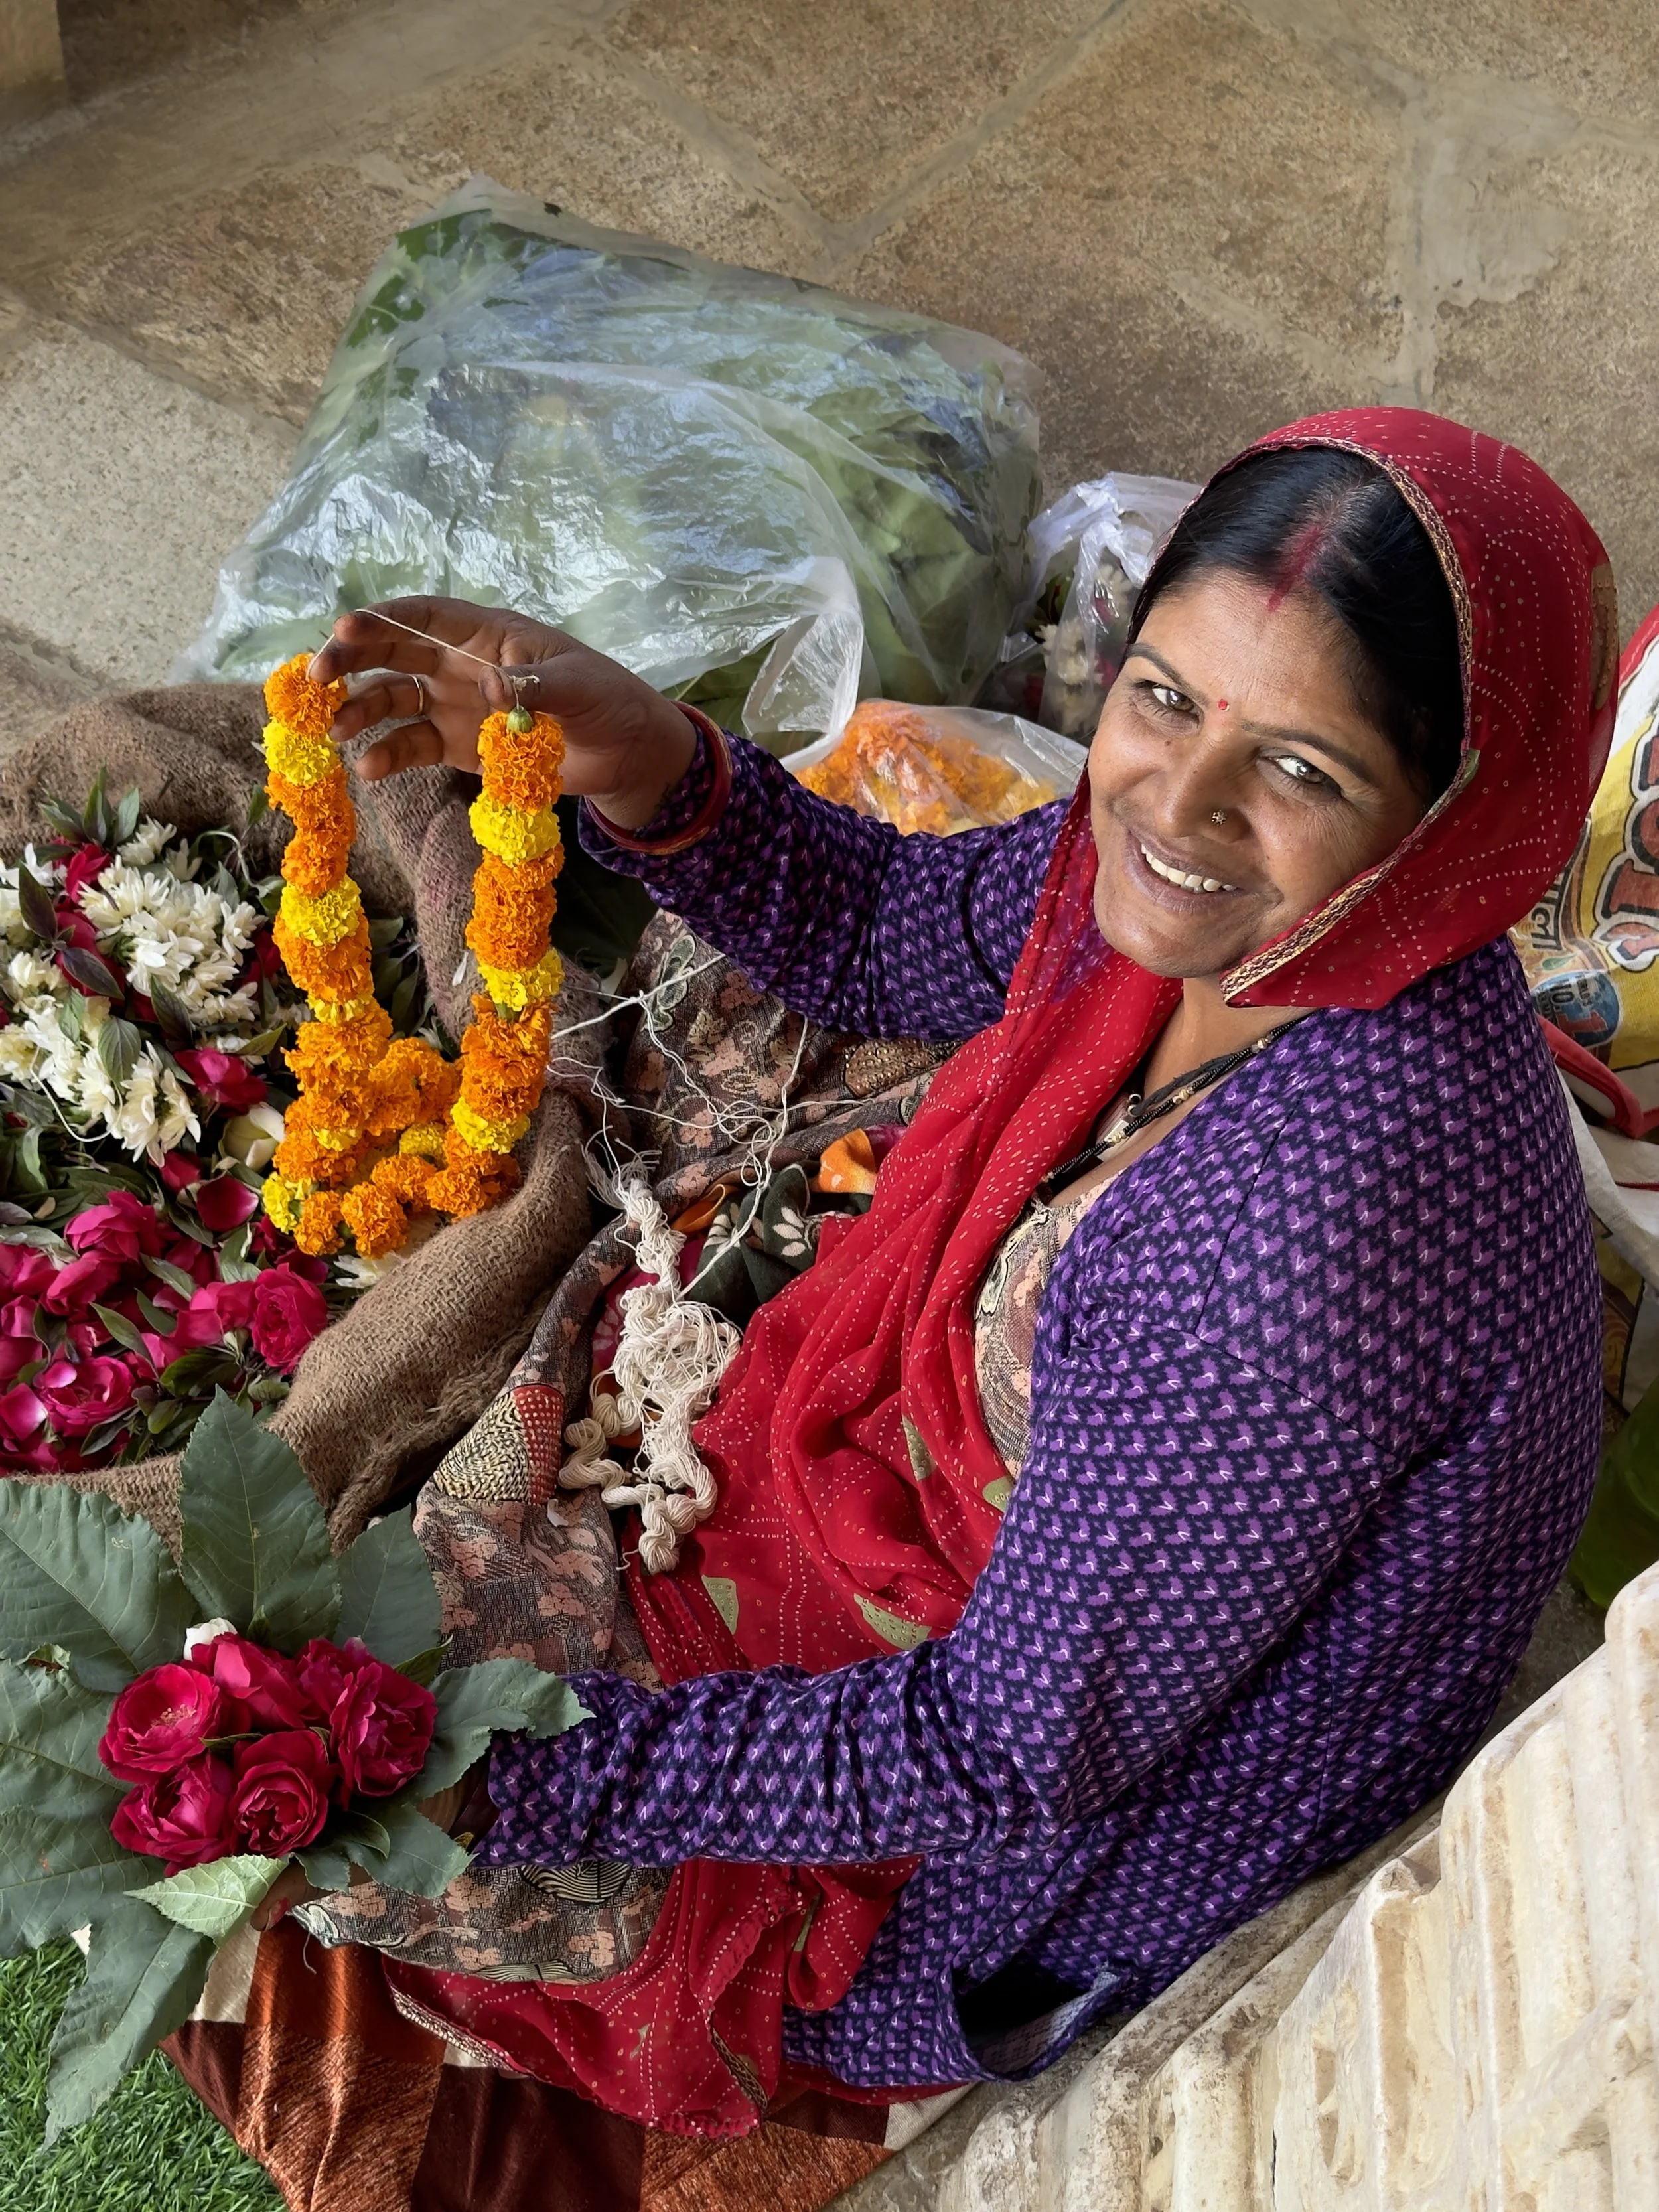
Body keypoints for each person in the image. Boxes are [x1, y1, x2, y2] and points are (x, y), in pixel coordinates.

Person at [305, 406, 1617, 2121]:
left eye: (1301, 770)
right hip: (1033, 1580)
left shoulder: (1311, 1243)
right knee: (417, 1619)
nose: (1184, 804)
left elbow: (1009, 1748)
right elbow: (884, 929)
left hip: (1011, 1861)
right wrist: (652, 764)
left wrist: (558, 1774)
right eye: (1162, 694)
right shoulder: (1181, 889)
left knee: (378, 1830)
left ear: (1450, 821)